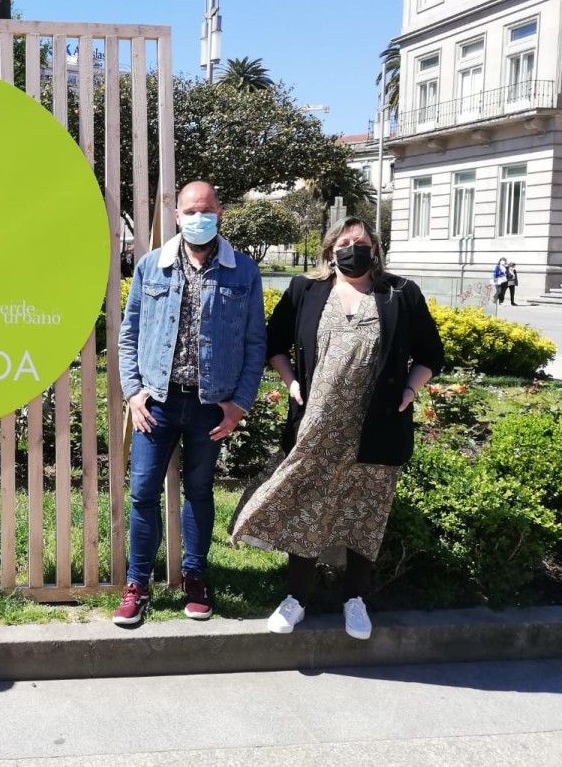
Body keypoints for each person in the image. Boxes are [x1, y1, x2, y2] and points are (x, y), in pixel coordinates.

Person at [231, 217, 443, 640]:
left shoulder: (401, 293)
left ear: (375, 250)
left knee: (365, 515)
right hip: (316, 428)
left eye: (361, 243)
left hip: (377, 428)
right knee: (307, 508)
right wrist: (291, 382)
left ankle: (355, 600)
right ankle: (296, 600)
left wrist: (410, 391)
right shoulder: (305, 290)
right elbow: (274, 345)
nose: (353, 248)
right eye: (344, 242)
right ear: (330, 251)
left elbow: (430, 353)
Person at [113, 181, 266, 626]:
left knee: (199, 491)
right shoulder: (151, 267)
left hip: (209, 407)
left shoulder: (243, 271)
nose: (199, 217)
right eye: (190, 210)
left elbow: (255, 343)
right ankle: (137, 584)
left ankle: (195, 578)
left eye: (207, 209)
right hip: (157, 403)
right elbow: (129, 334)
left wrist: (239, 404)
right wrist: (133, 392)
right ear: (176, 216)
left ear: (219, 212)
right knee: (143, 493)